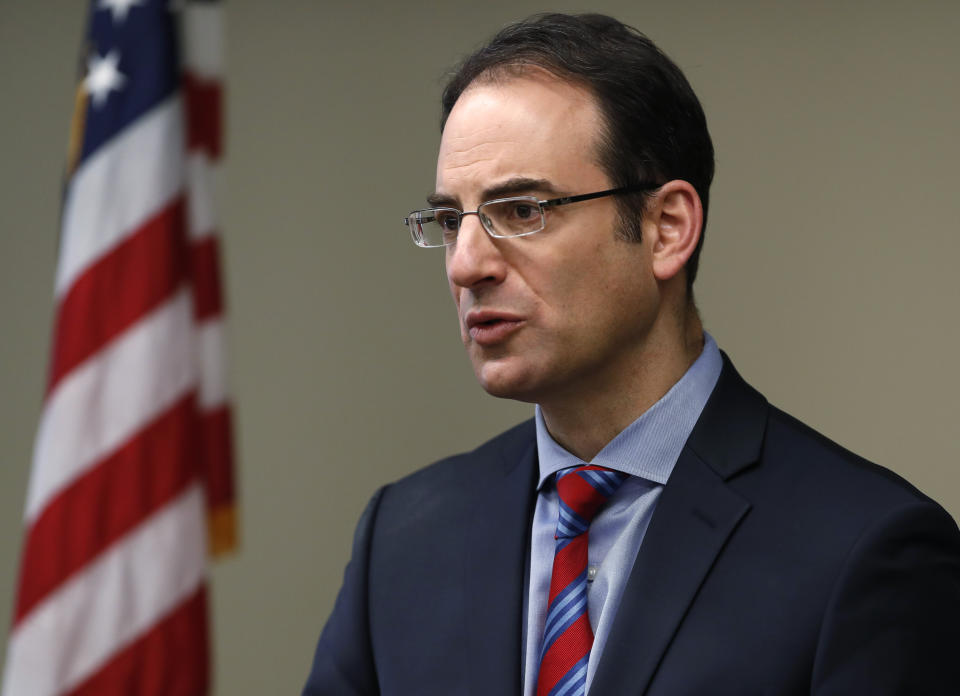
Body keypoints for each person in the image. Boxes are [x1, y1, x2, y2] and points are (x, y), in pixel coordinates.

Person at [303, 13, 960, 695]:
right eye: (450, 220)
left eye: (523, 210)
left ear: (667, 228)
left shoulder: (865, 551)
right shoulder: (403, 539)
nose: (466, 264)